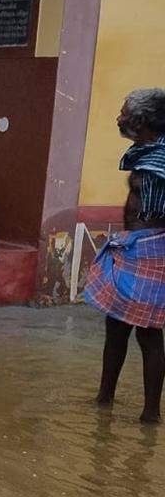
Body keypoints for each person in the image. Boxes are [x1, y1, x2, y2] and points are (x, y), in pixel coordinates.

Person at [86, 88, 165, 424]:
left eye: (122, 113)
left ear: (140, 120)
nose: (117, 118)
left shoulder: (159, 160)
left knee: (148, 333)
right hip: (134, 248)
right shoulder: (147, 152)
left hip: (150, 250)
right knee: (115, 326)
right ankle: (104, 398)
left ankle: (150, 415)